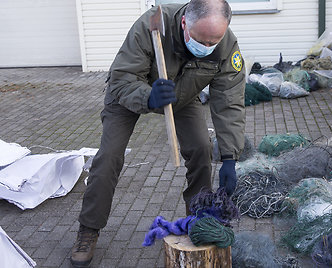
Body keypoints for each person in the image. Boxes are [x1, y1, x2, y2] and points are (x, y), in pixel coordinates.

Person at [70, 0, 245, 266]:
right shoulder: (150, 26)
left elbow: (229, 101)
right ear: (185, 22)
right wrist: (149, 97)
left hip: (182, 97)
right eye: (201, 41)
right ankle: (89, 228)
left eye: (214, 42)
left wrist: (231, 156)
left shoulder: (225, 45)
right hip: (131, 94)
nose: (207, 48)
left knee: (201, 147)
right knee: (109, 156)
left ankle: (198, 218)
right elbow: (122, 79)